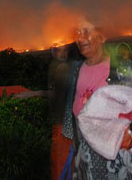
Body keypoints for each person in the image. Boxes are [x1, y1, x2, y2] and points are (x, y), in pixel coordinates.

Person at [62, 19, 132, 180]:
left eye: (86, 32)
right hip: (87, 162)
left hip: (120, 164)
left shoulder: (124, 69)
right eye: (78, 33)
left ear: (102, 36)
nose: (80, 38)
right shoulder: (76, 71)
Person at [49, 45, 72, 180]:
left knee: (60, 160)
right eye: (60, 50)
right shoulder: (62, 68)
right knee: (63, 160)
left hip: (61, 123)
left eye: (65, 50)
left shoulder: (57, 68)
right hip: (63, 123)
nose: (63, 53)